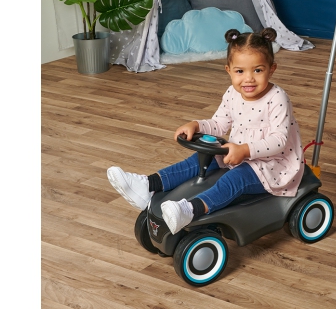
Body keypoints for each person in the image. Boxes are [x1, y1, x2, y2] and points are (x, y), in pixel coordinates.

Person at [106, 27, 304, 234]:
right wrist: (197, 125)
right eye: (240, 71)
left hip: (273, 165)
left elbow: (279, 140)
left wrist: (245, 150)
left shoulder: (277, 98)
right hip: (237, 152)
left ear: (271, 69)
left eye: (258, 70)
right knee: (198, 160)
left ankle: (192, 210)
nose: (248, 79)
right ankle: (148, 185)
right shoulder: (232, 93)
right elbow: (219, 123)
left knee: (234, 179)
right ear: (228, 70)